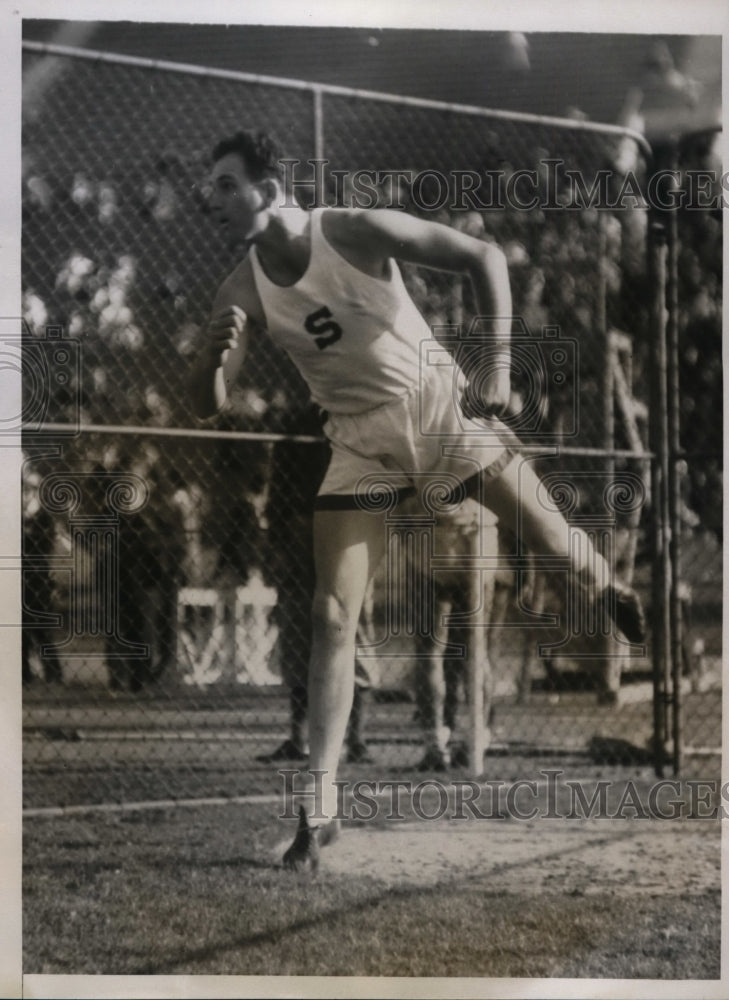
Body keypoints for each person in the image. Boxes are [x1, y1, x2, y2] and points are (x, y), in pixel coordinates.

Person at [188, 130, 645, 869]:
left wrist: (496, 366)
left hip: (434, 410)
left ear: (269, 191)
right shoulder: (238, 290)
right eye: (208, 187)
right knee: (331, 615)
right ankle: (322, 806)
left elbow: (483, 256)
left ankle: (604, 583)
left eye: (223, 184)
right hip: (359, 443)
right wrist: (210, 363)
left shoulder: (349, 229)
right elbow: (207, 402)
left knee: (552, 542)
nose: (209, 200)